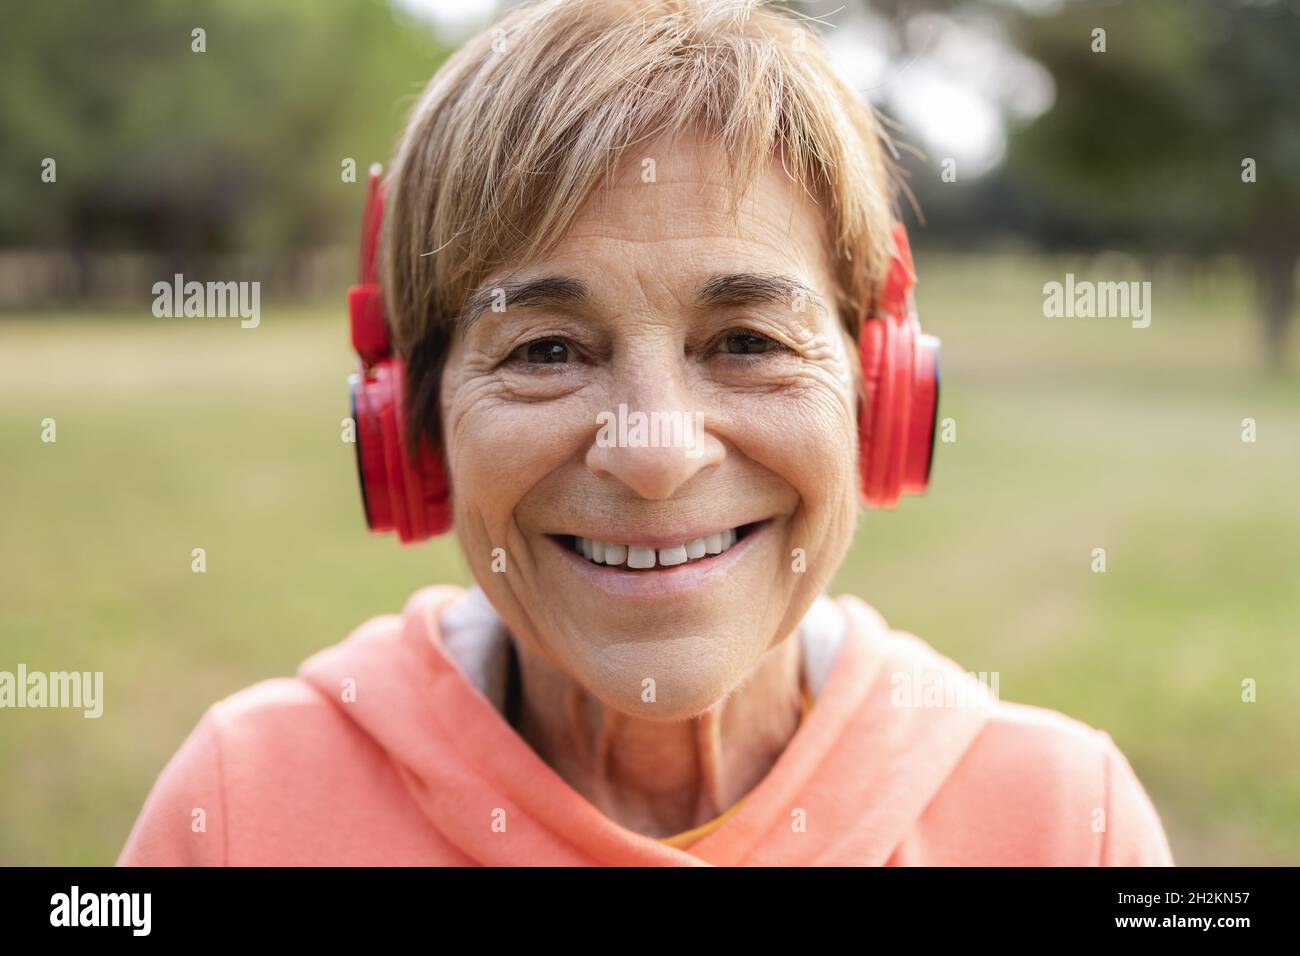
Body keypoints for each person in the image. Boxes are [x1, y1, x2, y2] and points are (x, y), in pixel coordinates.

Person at [118, 0, 1174, 866]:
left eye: (747, 339)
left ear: (877, 398)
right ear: (416, 432)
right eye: (544, 351)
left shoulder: (1065, 822)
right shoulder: (241, 809)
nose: (657, 452)